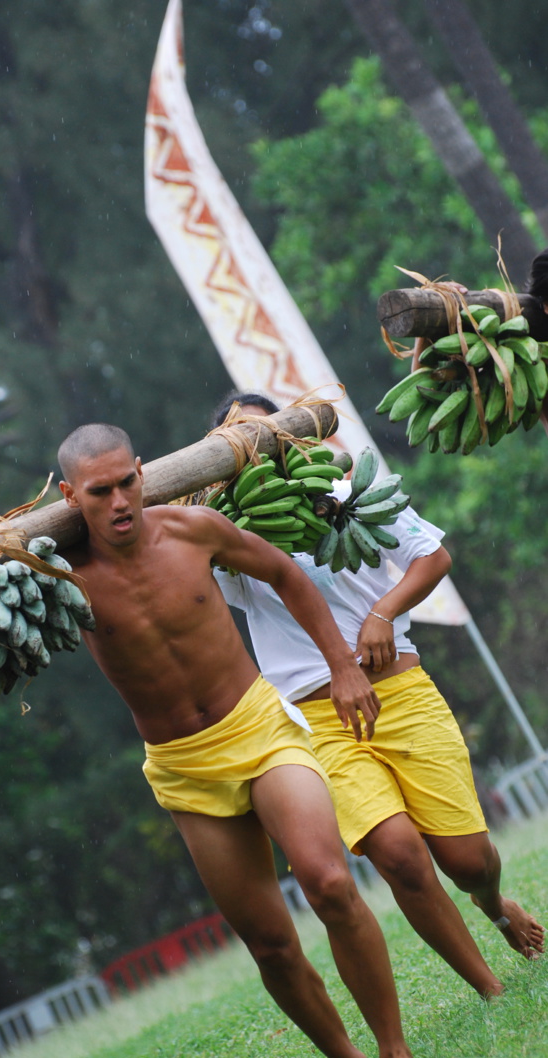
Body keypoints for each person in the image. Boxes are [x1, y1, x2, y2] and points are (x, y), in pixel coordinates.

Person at [0, 422, 447, 1058]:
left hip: (260, 728)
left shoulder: (195, 529)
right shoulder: (49, 571)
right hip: (184, 768)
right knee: (269, 943)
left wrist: (340, 667)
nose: (118, 501)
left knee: (329, 882)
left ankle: (395, 1053)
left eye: (127, 483)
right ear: (69, 495)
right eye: (99, 491)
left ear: (143, 474)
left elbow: (284, 573)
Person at [210, 391, 544, 1000]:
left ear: (292, 435)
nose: (258, 450)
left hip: (402, 694)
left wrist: (384, 613)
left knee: (467, 862)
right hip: (318, 716)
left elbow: (431, 557)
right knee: (398, 856)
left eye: (265, 434)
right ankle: (491, 990)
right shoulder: (228, 539)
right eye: (238, 443)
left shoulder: (349, 493)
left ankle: (495, 904)